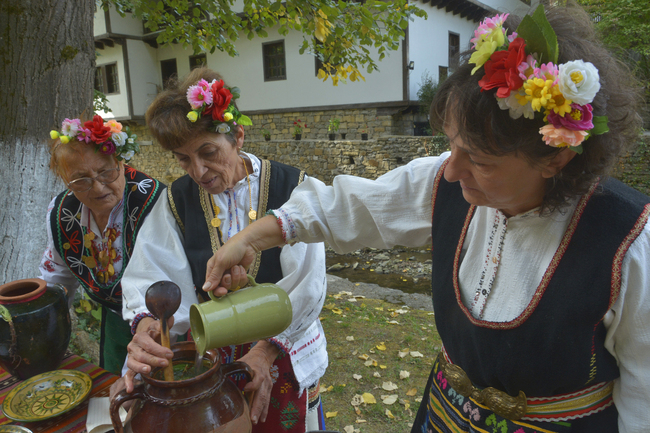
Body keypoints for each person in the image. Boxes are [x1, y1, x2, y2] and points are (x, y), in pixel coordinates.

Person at [202, 2, 650, 432]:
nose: (452, 169)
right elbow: (352, 206)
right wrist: (253, 238)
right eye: (452, 144)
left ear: (555, 158)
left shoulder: (626, 240)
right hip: (444, 416)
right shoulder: (446, 183)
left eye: (481, 160)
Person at [117, 67, 329, 432]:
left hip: (282, 346)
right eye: (183, 159)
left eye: (208, 152)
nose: (198, 170)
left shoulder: (293, 188)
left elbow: (307, 284)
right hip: (210, 351)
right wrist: (150, 324)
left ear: (239, 137)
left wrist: (265, 351)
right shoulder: (177, 201)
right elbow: (152, 272)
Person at [41, 115, 164, 375]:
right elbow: (58, 278)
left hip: (163, 326)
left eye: (105, 172)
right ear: (65, 181)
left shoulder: (153, 203)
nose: (97, 187)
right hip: (115, 324)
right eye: (81, 179)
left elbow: (167, 281)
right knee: (111, 394)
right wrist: (45, 332)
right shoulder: (62, 211)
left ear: (120, 163)